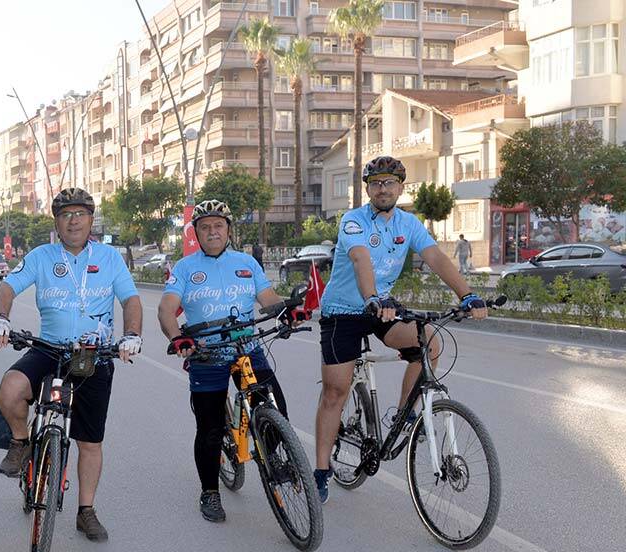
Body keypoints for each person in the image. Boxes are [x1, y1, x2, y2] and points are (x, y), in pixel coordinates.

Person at [312, 156, 488, 504]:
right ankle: (320, 471)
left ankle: (405, 416)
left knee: (430, 343)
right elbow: (361, 258)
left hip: (381, 308)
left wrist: (467, 295)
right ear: (367, 189)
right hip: (344, 311)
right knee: (336, 391)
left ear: (400, 187)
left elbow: (435, 257)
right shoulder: (353, 221)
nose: (382, 188)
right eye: (376, 183)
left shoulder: (409, 224)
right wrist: (373, 297)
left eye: (389, 182)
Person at [0, 187, 143, 542]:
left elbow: (131, 300)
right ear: (57, 222)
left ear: (91, 220)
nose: (73, 220)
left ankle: (86, 511)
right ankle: (21, 441)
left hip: (95, 354)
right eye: (65, 215)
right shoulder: (42, 256)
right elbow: (8, 287)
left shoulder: (110, 258)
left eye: (80, 214)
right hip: (49, 349)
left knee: (90, 442)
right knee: (10, 389)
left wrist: (132, 334)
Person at [158, 200, 297, 523]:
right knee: (208, 429)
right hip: (206, 354)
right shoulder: (185, 268)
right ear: (196, 233)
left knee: (277, 408)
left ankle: (275, 456)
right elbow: (166, 309)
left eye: (218, 225)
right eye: (205, 227)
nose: (212, 232)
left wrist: (287, 313)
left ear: (228, 230)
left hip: (247, 347)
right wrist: (177, 337)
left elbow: (268, 299)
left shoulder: (246, 263)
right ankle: (209, 492)